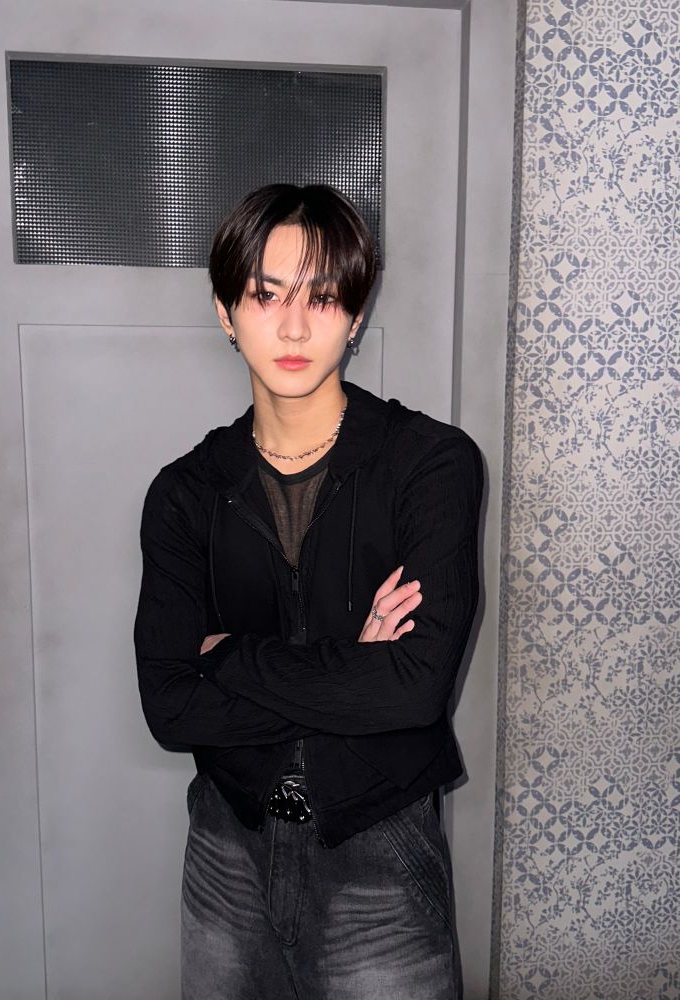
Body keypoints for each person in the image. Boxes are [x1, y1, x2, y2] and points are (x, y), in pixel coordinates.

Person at [134, 183, 483, 1000]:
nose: (293, 327)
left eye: (323, 297)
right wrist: (353, 666)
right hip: (226, 845)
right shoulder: (184, 493)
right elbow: (169, 708)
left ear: (356, 315)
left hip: (379, 845)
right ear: (226, 311)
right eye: (266, 295)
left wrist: (229, 657)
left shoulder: (431, 464)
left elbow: (415, 691)